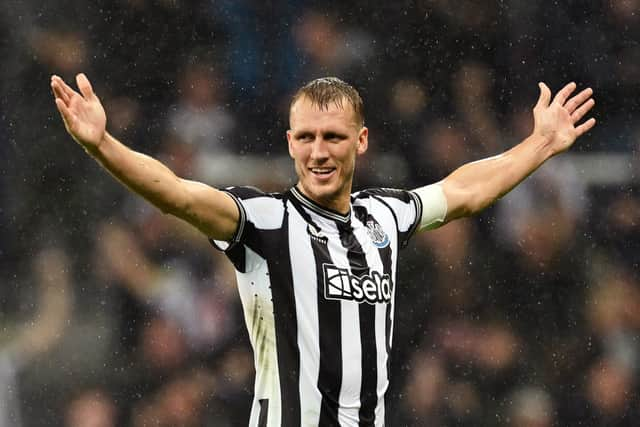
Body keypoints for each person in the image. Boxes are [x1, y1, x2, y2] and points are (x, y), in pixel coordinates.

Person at [50, 73, 595, 426]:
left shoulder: (385, 214)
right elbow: (174, 193)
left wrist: (541, 143)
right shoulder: (263, 221)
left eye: (333, 136)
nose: (318, 151)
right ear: (289, 142)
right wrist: (102, 144)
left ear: (360, 141)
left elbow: (465, 190)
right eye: (306, 137)